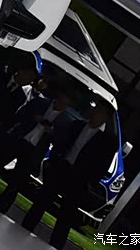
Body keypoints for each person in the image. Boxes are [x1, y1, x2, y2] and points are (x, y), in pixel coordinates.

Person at [21, 102, 117, 249]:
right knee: (42, 200)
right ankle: (24, 229)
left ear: (106, 117)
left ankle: (55, 245)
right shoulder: (78, 125)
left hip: (79, 178)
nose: (96, 112)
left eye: (100, 111)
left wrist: (88, 180)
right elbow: (61, 142)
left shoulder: (107, 140)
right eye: (96, 109)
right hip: (62, 168)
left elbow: (102, 166)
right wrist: (55, 161)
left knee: (65, 216)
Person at [0, 90, 72, 213]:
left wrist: (51, 132)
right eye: (60, 99)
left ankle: (2, 208)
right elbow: (21, 114)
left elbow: (61, 141)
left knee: (17, 180)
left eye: (64, 102)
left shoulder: (65, 121)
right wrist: (33, 119)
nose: (60, 103)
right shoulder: (40, 103)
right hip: (19, 140)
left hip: (34, 150)